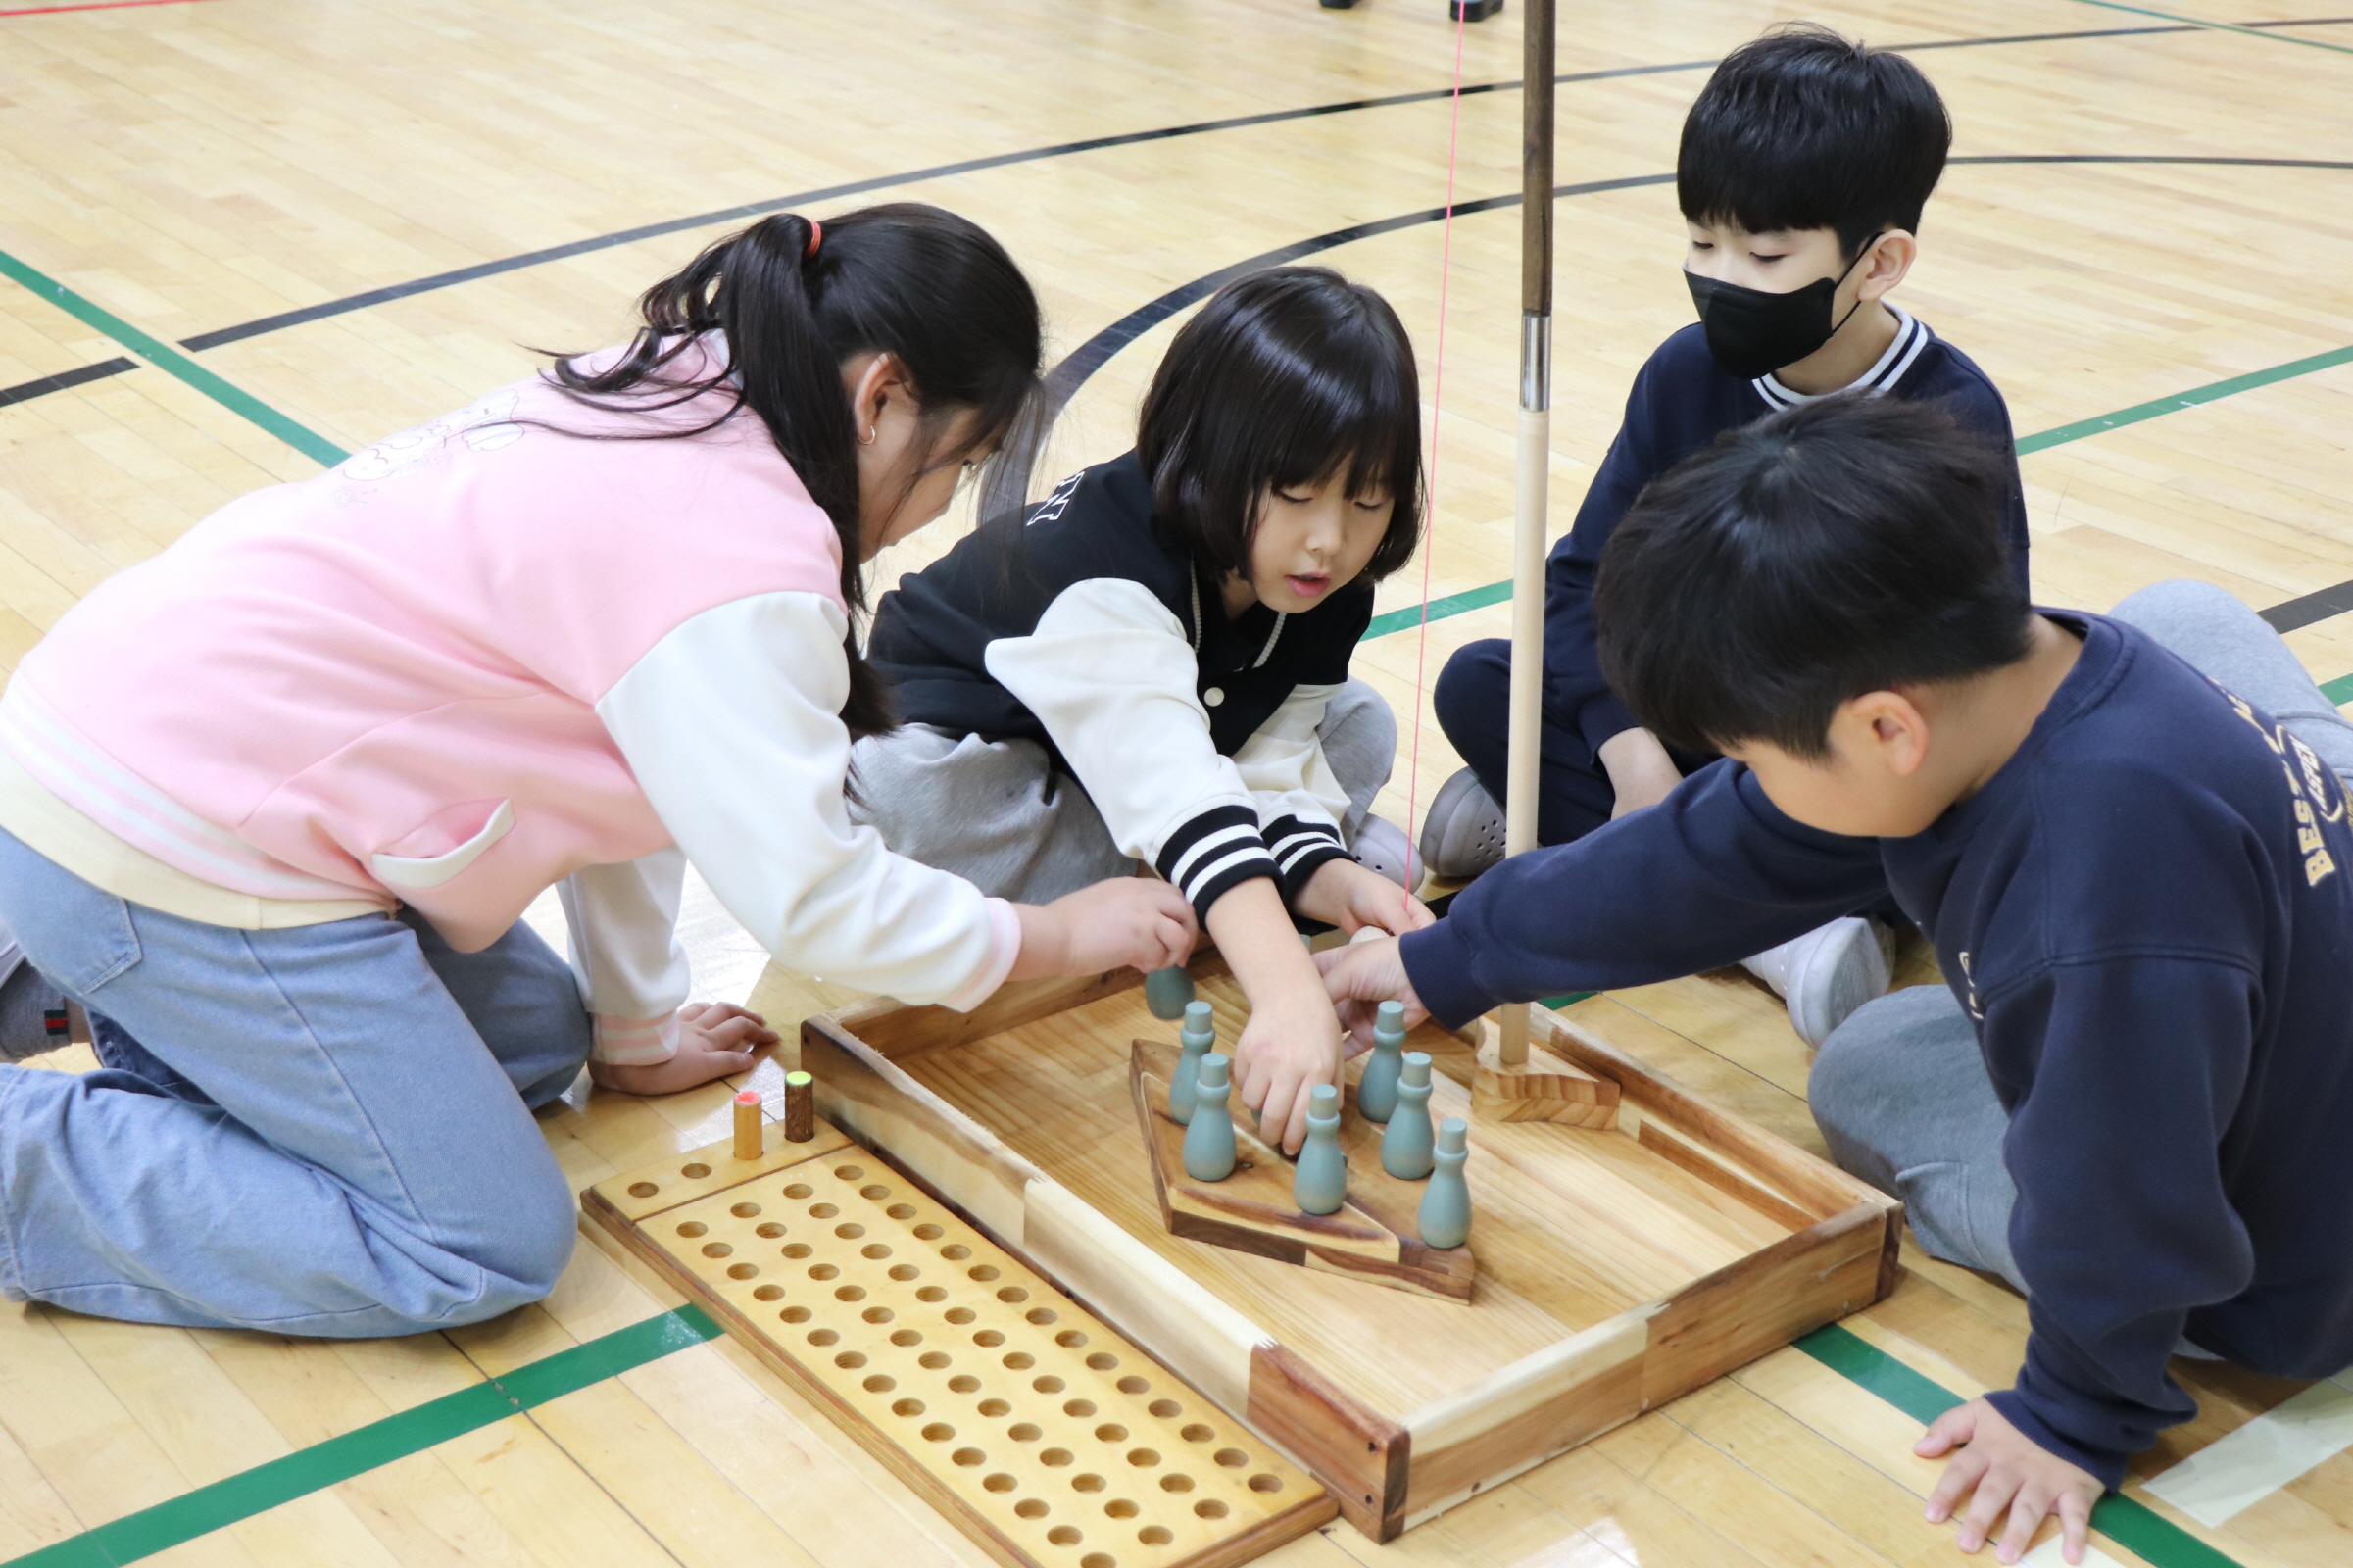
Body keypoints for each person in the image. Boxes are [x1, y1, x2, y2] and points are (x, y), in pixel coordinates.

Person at [0, 204, 1195, 1338]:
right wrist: (1052, 937)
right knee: (482, 1242)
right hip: (163, 833)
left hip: (160, 760)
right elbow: (817, 904)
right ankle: (43, 1113)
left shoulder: (692, 384)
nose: (935, 509)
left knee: (534, 1046)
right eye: (953, 463)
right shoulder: (739, 554)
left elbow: (642, 771)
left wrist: (631, 1031)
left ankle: (143, 1003)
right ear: (882, 397)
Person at [1322, 396, 2353, 1565]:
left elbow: (2123, 1187)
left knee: (1875, 1062)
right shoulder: (2006, 675)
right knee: (2181, 615)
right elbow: (1714, 853)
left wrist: (2077, 1411)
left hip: (2286, 1255)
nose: (1750, 780)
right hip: (2261, 984)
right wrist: (1448, 956)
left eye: (1756, 754)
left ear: (1883, 730)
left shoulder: (2093, 909)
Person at [1419, 23, 2031, 1048]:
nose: (1720, 275)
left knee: (1922, 827)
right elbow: (1581, 586)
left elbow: (1964, 698)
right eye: (1702, 240)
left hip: (1837, 762)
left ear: (1878, 262)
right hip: (1692, 729)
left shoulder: (1950, 421)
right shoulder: (1683, 372)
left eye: (1765, 252)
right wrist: (1629, 761)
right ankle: (1756, 921)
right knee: (1484, 680)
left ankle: (1716, 891)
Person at [862, 267, 1432, 1152]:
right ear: (1208, 458)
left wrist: (1332, 879)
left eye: (1367, 501)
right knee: (906, 798)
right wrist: (1283, 991)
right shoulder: (1104, 566)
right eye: (1296, 495)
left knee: (1357, 722)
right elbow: (1175, 784)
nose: (1330, 539)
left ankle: (1209, 878)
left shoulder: (1322, 582)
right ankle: (1206, 879)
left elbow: (1272, 756)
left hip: (1141, 772)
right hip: (963, 759)